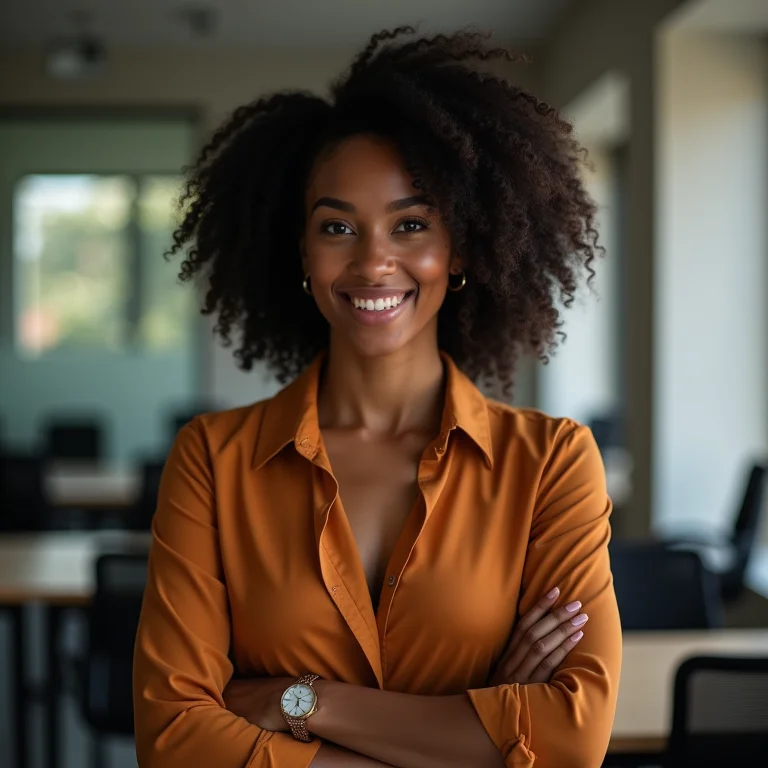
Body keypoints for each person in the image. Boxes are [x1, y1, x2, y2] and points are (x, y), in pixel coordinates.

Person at [133, 27, 622, 768]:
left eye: (411, 224)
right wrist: (480, 728)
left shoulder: (552, 462)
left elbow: (572, 738)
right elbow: (173, 739)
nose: (373, 261)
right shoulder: (211, 461)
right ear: (302, 251)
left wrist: (298, 701)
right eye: (337, 227)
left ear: (459, 247)